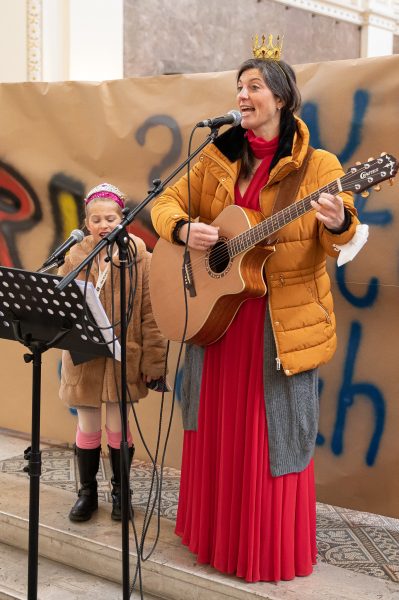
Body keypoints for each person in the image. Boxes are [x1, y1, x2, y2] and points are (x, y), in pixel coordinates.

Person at [150, 37, 361, 582]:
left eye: (253, 87)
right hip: (216, 322)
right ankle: (215, 543)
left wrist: (339, 221)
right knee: (216, 437)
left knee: (270, 442)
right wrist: (182, 228)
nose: (242, 96)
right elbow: (165, 203)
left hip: (277, 329)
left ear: (282, 98)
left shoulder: (320, 166)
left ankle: (262, 552)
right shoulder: (217, 155)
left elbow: (344, 241)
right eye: (238, 87)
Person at [58, 182, 167, 522]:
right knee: (88, 424)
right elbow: (63, 303)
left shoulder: (140, 256)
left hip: (124, 355)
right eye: (95, 219)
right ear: (86, 222)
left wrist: (154, 361)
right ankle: (87, 492)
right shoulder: (76, 255)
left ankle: (122, 491)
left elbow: (152, 314)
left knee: (118, 425)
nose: (103, 225)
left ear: (123, 218)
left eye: (110, 218)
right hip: (85, 355)